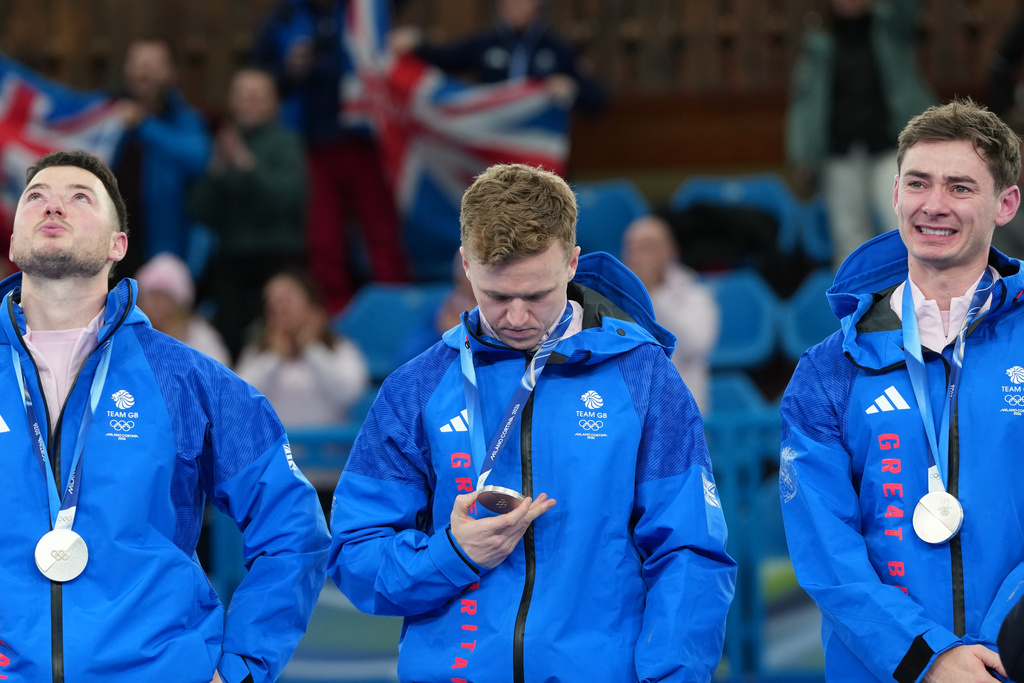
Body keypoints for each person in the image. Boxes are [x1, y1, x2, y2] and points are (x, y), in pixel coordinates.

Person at [328, 163, 736, 681]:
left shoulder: (643, 377)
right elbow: (355, 552)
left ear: (571, 263)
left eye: (537, 295)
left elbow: (689, 551)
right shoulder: (417, 388)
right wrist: (449, 556)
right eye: (497, 296)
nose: (517, 318)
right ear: (465, 266)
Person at [0, 149, 329, 682]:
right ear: (13, 241)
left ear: (118, 245)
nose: (52, 206)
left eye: (79, 197)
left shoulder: (187, 380)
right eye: (35, 196)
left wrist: (244, 665)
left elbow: (294, 527)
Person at [779, 98, 1024, 682]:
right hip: (888, 670)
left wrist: (1001, 647)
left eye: (961, 187)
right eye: (918, 183)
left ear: (1006, 203)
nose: (933, 205)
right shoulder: (826, 372)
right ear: (894, 194)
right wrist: (927, 657)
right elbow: (826, 552)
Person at [249, 0, 411, 315]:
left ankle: (396, 312)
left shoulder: (365, 8)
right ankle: (333, 318)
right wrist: (288, 71)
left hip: (365, 142)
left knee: (381, 235)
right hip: (311, 146)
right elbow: (259, 77)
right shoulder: (284, 18)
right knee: (324, 240)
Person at [786, 0, 936, 270]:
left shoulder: (890, 30)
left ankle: (919, 302)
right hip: (840, 155)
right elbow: (806, 102)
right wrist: (804, 153)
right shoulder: (818, 44)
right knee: (850, 242)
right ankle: (857, 310)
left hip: (891, 149)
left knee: (905, 224)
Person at [188, 66, 307, 360]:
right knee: (228, 334)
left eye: (257, 96)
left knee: (278, 335)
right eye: (242, 96)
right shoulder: (222, 144)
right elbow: (200, 212)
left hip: (278, 256)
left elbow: (287, 201)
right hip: (232, 256)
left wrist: (248, 167)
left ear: (274, 103)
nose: (249, 103)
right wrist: (214, 174)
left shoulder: (286, 144)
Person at [391, 0, 605, 115]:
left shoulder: (559, 49)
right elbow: (440, 61)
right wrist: (416, 43)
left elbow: (596, 101)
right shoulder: (483, 43)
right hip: (494, 150)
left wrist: (572, 87)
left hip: (540, 152)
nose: (514, 6)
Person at [113, 37, 212, 278]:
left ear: (172, 74)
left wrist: (143, 125)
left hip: (162, 249)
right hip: (110, 245)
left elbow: (198, 158)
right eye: (137, 63)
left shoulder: (185, 119)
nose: (143, 72)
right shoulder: (107, 112)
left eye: (153, 65)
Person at [235, 269, 370, 427]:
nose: (281, 308)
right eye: (273, 301)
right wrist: (273, 357)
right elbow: (239, 397)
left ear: (312, 304)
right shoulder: (258, 353)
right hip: (277, 448)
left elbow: (348, 395)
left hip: (329, 448)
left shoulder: (341, 349)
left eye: (287, 299)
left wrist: (312, 348)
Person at [622, 214, 719, 414]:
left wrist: (653, 292)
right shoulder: (609, 299)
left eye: (647, 246)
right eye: (632, 247)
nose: (637, 255)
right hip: (629, 416)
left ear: (670, 251)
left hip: (683, 420)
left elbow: (695, 344)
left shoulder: (695, 295)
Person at [135, 252, 231, 366]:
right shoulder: (136, 337)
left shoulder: (202, 339)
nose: (153, 305)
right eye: (149, 296)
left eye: (161, 297)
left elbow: (218, 378)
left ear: (179, 303)